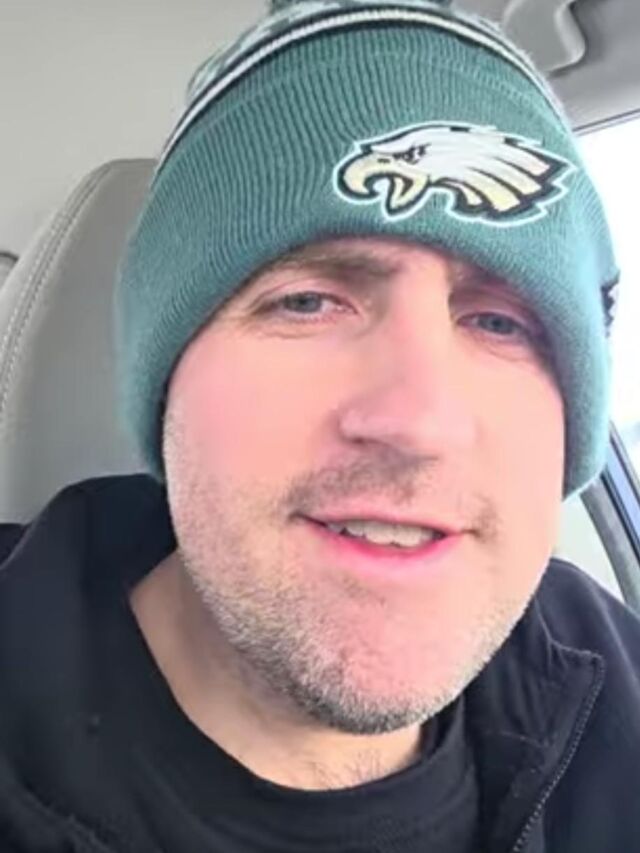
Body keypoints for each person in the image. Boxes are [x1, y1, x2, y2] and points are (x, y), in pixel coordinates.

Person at [1, 0, 638, 850]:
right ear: (162, 378)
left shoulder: (614, 671)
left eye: (500, 323)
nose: (419, 420)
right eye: (306, 302)